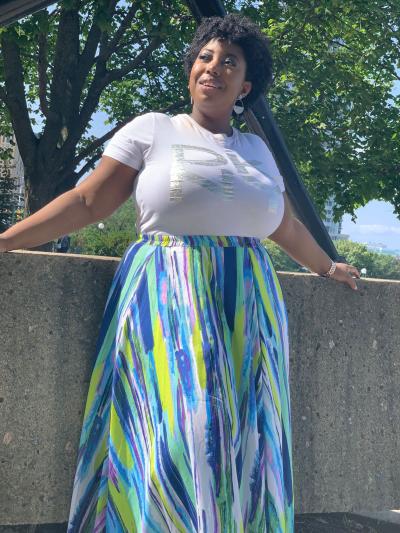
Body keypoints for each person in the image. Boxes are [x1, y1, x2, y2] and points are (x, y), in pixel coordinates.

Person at [0, 14, 359, 533]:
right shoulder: (155, 129)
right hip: (170, 295)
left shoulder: (256, 150)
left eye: (229, 62)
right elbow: (87, 199)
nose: (212, 68)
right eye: (205, 58)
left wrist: (327, 266)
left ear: (246, 85)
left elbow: (283, 224)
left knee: (247, 441)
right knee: (187, 430)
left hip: (248, 306)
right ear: (192, 69)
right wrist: (6, 240)